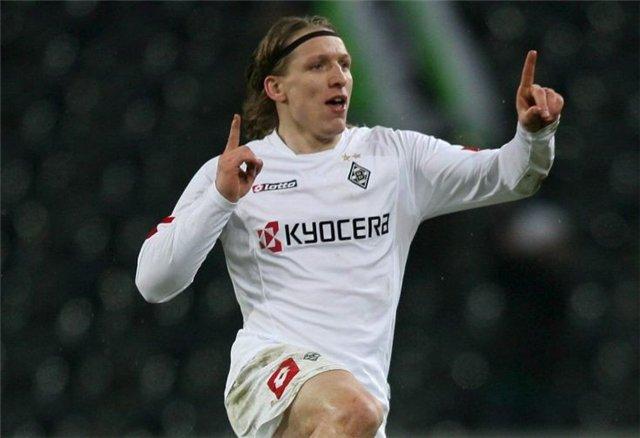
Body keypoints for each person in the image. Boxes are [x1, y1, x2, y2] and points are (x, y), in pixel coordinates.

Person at [135, 15, 564, 438]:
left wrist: (534, 136)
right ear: (276, 88)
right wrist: (220, 198)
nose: (338, 76)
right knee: (353, 409)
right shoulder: (237, 170)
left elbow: (509, 175)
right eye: (317, 65)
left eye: (344, 64)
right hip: (270, 371)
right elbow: (154, 282)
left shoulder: (394, 157)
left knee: (356, 411)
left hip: (358, 410)